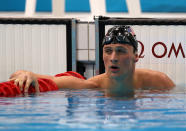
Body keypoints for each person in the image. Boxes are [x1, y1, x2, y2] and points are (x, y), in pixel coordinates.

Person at [9, 25, 175, 97]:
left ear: (136, 56)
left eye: (121, 51)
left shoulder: (158, 81)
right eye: (108, 51)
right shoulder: (92, 86)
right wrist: (25, 74)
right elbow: (45, 79)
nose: (113, 58)